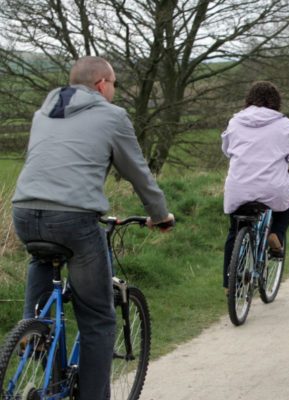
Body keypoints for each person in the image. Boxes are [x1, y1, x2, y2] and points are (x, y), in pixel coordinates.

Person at [11, 56, 175, 400]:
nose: (114, 91)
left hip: (24, 212)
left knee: (41, 258)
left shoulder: (43, 113)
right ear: (102, 84)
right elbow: (138, 173)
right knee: (98, 319)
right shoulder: (112, 116)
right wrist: (160, 214)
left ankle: (32, 327)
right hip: (74, 221)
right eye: (114, 85)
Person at [222, 81, 289, 293]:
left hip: (239, 189)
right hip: (273, 190)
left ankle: (229, 285)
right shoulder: (284, 124)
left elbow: (227, 149)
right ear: (276, 102)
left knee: (234, 231)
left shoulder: (235, 122)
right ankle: (276, 234)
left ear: (249, 99)